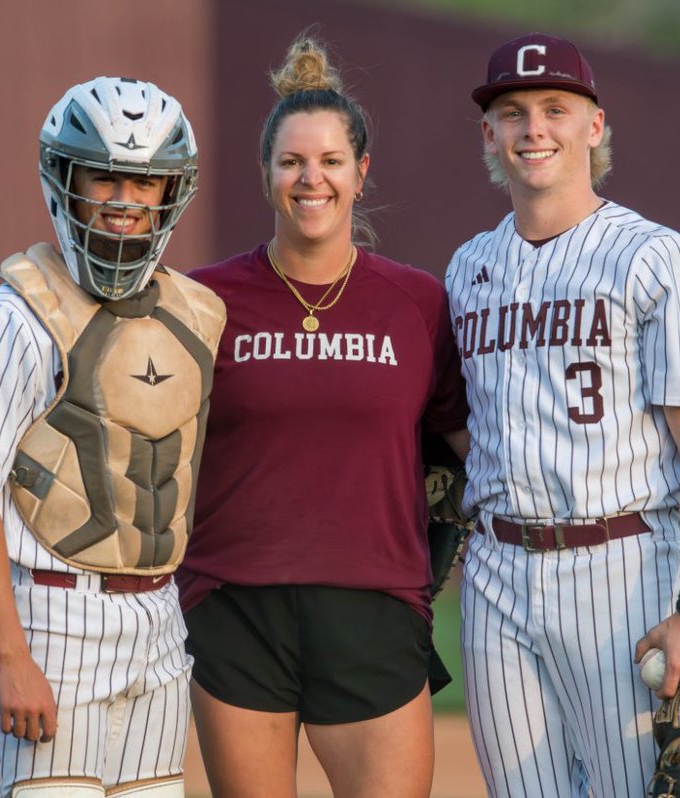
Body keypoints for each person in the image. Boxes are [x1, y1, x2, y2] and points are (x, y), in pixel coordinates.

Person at [174, 35, 469, 798]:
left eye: (331, 161)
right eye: (292, 162)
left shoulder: (417, 303)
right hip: (234, 606)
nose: (312, 179)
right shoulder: (203, 301)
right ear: (267, 174)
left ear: (361, 173)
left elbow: (462, 445)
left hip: (373, 608)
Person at [445, 33, 680, 797]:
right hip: (496, 574)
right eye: (512, 112)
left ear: (594, 126)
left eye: (554, 108)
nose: (533, 128)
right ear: (489, 134)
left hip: (621, 567)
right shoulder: (468, 268)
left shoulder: (652, 258)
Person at [0, 76, 225, 798]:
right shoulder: (10, 318)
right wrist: (11, 655)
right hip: (52, 619)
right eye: (104, 177)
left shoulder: (195, 314)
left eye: (144, 182)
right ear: (64, 180)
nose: (124, 202)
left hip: (160, 620)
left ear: (172, 191)